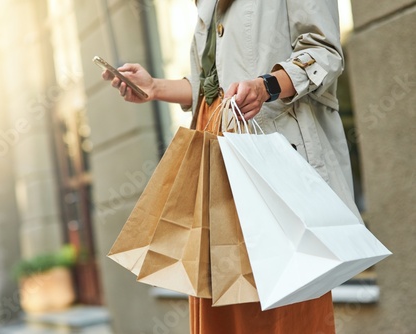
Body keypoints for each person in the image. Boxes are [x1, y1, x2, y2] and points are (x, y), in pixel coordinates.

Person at [103, 0, 355, 333]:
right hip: (214, 163)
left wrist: (267, 86)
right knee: (221, 306)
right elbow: (212, 87)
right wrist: (155, 87)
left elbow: (324, 53)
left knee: (282, 306)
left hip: (268, 163)